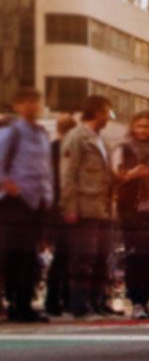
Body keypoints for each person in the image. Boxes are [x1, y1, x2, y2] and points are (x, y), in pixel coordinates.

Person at [60, 96, 117, 318]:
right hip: (84, 206)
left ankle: (97, 302)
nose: (108, 119)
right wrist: (70, 207)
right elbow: (68, 174)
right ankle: (79, 304)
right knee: (83, 256)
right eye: (106, 113)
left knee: (102, 256)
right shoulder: (77, 138)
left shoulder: (103, 141)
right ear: (98, 112)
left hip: (103, 207)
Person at [113, 111, 149, 320]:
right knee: (135, 257)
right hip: (132, 210)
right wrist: (133, 174)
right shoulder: (125, 150)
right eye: (139, 126)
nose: (143, 130)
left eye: (147, 126)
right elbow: (115, 178)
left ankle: (146, 301)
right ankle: (136, 301)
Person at [0, 88, 53, 323]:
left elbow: (46, 168)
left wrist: (48, 197)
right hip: (15, 202)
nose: (32, 105)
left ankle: (24, 304)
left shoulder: (41, 133)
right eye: (27, 102)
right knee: (12, 253)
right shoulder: (12, 131)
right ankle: (12, 303)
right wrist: (8, 185)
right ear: (18, 106)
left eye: (36, 101)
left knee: (30, 256)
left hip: (37, 202)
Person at [43, 113, 75, 316]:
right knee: (66, 255)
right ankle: (57, 299)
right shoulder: (64, 150)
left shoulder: (51, 149)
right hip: (63, 207)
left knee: (62, 255)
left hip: (53, 207)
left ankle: (56, 299)